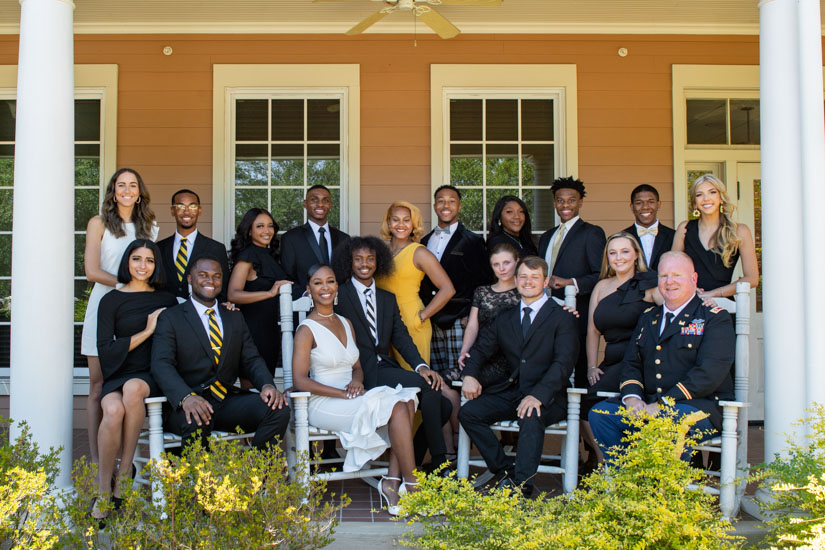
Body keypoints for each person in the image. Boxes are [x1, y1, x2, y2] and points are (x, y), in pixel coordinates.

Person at [292, 264, 420, 516]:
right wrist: (341, 393)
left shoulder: (345, 322)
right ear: (309, 290)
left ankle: (392, 483)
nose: (325, 287)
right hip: (322, 402)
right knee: (397, 406)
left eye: (330, 281)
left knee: (407, 399)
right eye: (318, 283)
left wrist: (358, 381)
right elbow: (299, 380)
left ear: (336, 287)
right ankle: (413, 487)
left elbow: (357, 367)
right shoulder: (306, 330)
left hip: (352, 395)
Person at [588, 251, 735, 462]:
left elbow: (709, 374)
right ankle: (628, 482)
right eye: (664, 276)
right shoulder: (649, 318)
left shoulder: (713, 318)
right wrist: (632, 398)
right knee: (601, 415)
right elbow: (632, 364)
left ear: (693, 279)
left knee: (668, 421)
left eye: (677, 275)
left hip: (700, 407)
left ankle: (663, 491)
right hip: (651, 405)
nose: (670, 282)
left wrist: (665, 403)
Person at [458, 256, 579, 497]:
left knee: (531, 415)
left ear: (545, 281)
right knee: (469, 413)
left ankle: (521, 490)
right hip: (514, 390)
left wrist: (538, 396)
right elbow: (481, 349)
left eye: (534, 277)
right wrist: (469, 374)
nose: (528, 282)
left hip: (550, 396)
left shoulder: (562, 316)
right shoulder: (506, 317)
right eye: (523, 276)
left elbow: (563, 363)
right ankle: (505, 473)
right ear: (515, 280)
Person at [334, 236, 455, 472]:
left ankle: (415, 458)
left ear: (378, 263)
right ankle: (440, 463)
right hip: (358, 374)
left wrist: (421, 366)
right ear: (350, 263)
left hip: (384, 368)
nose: (364, 264)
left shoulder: (387, 299)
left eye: (370, 259)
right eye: (358, 259)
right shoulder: (339, 295)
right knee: (431, 389)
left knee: (444, 407)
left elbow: (401, 337)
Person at [151, 256, 289, 451]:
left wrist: (267, 385)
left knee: (278, 409)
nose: (211, 280)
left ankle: (258, 475)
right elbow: (161, 364)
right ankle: (197, 480)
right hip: (187, 403)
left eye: (216, 276)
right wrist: (185, 397)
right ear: (190, 278)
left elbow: (251, 359)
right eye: (203, 275)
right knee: (197, 418)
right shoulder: (171, 317)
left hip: (225, 401)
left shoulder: (233, 316)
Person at [91, 239, 176, 525]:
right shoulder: (111, 300)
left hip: (152, 373)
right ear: (127, 262)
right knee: (113, 410)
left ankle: (124, 475)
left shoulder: (166, 299)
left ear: (156, 265)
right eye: (137, 259)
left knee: (133, 388)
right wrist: (148, 329)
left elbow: (176, 343)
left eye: (149, 260)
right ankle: (105, 487)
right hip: (118, 372)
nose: (142, 266)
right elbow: (105, 349)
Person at [82, 168, 158, 466]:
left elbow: (151, 268)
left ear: (140, 192)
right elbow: (91, 271)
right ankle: (97, 460)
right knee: (98, 386)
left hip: (139, 312)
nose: (127, 190)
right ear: (113, 191)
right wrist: (126, 285)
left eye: (133, 185)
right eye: (121, 185)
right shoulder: (98, 223)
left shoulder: (149, 226)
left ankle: (127, 459)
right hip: (105, 305)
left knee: (132, 385)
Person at [376, 201, 460, 461]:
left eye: (406, 219)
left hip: (411, 325)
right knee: (391, 390)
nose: (400, 224)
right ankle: (399, 451)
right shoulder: (380, 252)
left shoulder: (419, 252)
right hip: (382, 327)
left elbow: (448, 288)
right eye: (395, 219)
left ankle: (432, 453)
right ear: (388, 223)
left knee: (415, 388)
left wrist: (422, 315)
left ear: (414, 224)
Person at [537, 177, 606, 387]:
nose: (565, 205)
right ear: (555, 203)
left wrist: (570, 282)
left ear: (580, 203)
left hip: (577, 315)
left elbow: (601, 275)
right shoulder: (547, 237)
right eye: (560, 200)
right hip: (546, 314)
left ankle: (582, 416)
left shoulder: (592, 233)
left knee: (577, 369)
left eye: (571, 200)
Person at [419, 185, 492, 380]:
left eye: (452, 201)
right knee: (435, 377)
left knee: (459, 375)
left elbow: (483, 282)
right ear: (434, 206)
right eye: (441, 201)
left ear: (459, 206)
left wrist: (472, 315)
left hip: (460, 320)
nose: (446, 205)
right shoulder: (423, 242)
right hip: (431, 319)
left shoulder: (472, 241)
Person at [672, 174, 759, 299]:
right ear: (694, 202)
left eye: (712, 192)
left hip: (723, 306)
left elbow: (752, 279)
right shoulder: (684, 229)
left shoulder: (739, 231)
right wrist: (689, 289)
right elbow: (672, 270)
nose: (706, 198)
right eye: (699, 194)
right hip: (689, 301)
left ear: (721, 197)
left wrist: (712, 294)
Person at [227, 208, 291, 376]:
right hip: (252, 330)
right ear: (249, 230)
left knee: (267, 381)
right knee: (254, 384)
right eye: (260, 226)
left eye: (270, 226)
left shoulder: (270, 255)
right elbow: (233, 294)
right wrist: (269, 293)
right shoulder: (247, 256)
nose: (266, 231)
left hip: (270, 329)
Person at [457, 242, 521, 388]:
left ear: (517, 262)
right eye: (496, 264)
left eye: (506, 262)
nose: (502, 268)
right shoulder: (482, 292)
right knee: (443, 380)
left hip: (508, 360)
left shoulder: (525, 292)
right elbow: (473, 326)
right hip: (481, 355)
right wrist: (464, 352)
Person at [157, 189, 230, 303]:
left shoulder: (216, 248)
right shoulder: (159, 248)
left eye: (192, 207)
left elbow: (222, 291)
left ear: (199, 210)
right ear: (172, 211)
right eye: (180, 206)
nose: (187, 212)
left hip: (200, 317)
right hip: (165, 314)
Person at [280, 184, 351, 299]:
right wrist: (305, 295)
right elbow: (286, 277)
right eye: (314, 200)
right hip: (305, 308)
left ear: (330, 205)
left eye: (325, 200)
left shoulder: (345, 239)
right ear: (305, 204)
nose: (320, 204)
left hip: (340, 306)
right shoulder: (291, 238)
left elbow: (348, 276)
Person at [623, 184, 675, 271]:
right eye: (639, 203)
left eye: (651, 202)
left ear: (658, 205)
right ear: (632, 207)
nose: (645, 207)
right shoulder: (622, 237)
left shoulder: (674, 237)